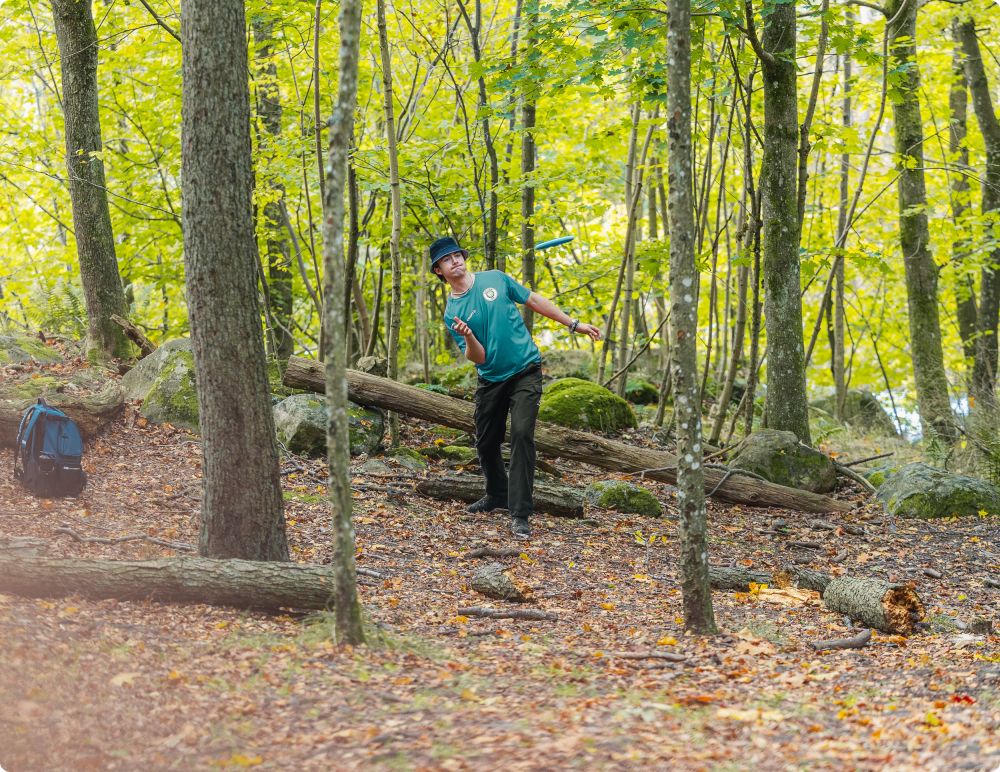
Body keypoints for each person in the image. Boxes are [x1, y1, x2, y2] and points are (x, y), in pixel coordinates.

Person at [429, 235, 602, 538]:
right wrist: (469, 336)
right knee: (485, 441)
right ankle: (497, 494)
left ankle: (520, 512)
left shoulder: (495, 278)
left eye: (457, 255)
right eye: (447, 259)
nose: (455, 260)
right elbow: (478, 358)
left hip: (526, 371)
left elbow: (533, 300)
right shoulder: (451, 313)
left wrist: (573, 324)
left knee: (522, 434)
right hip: (491, 379)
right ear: (439, 271)